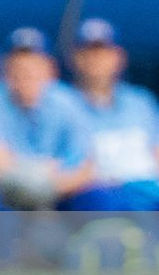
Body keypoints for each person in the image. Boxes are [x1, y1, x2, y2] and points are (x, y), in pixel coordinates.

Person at [0, 27, 96, 210]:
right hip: (6, 195)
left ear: (50, 70)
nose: (25, 75)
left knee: (96, 198)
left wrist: (43, 182)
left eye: (34, 67)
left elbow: (85, 169)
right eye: (17, 68)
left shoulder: (68, 101)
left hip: (60, 192)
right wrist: (45, 170)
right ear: (5, 71)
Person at [63, 19, 159, 212]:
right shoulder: (61, 102)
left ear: (119, 57)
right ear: (74, 58)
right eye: (88, 53)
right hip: (91, 196)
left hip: (144, 191)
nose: (96, 60)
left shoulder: (140, 101)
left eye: (103, 52)